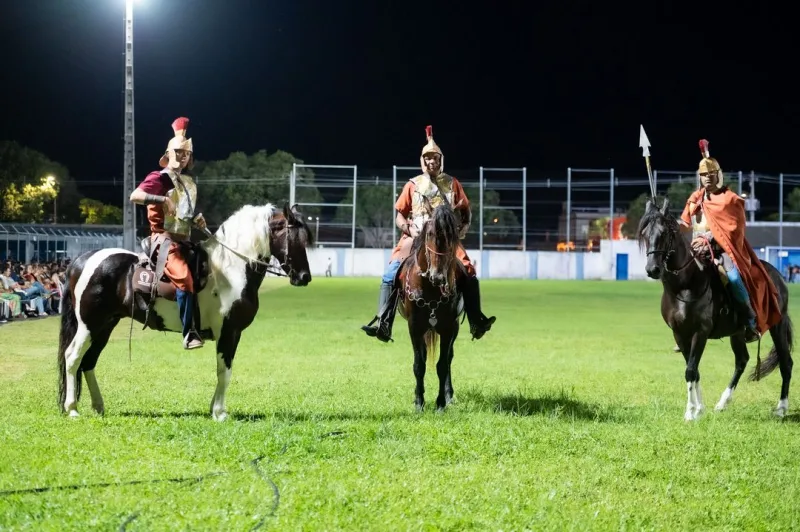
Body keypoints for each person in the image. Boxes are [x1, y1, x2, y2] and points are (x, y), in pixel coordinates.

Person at [361, 125, 496, 342]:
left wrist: (463, 227)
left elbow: (466, 210)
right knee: (390, 274)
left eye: (435, 158)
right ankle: (384, 323)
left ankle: (476, 321)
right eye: (428, 158)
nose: (432, 162)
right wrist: (408, 228)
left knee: (469, 273)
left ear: (441, 160)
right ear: (422, 161)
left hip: (445, 238)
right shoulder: (412, 185)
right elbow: (399, 214)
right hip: (415, 237)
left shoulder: (453, 183)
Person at [678, 139, 781, 342]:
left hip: (721, 251)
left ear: (718, 175)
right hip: (695, 252)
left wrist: (710, 239)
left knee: (733, 278)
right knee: (679, 278)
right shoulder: (694, 199)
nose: (707, 178)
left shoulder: (729, 199)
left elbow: (735, 230)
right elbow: (684, 224)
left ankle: (750, 322)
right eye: (703, 175)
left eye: (710, 174)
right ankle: (683, 325)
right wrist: (667, 224)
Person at [129, 117, 207, 349]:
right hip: (163, 239)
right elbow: (135, 196)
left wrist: (196, 219)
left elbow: (184, 213)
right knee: (184, 278)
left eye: (186, 154)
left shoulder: (188, 183)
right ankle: (188, 333)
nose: (182, 157)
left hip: (185, 239)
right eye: (178, 152)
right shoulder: (160, 178)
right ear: (168, 153)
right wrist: (161, 198)